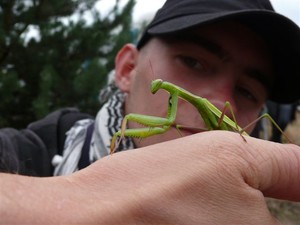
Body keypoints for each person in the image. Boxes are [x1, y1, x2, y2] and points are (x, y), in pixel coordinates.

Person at [0, 0, 300, 223]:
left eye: (247, 91)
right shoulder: (26, 151)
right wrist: (85, 198)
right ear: (128, 69)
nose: (224, 101)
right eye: (193, 62)